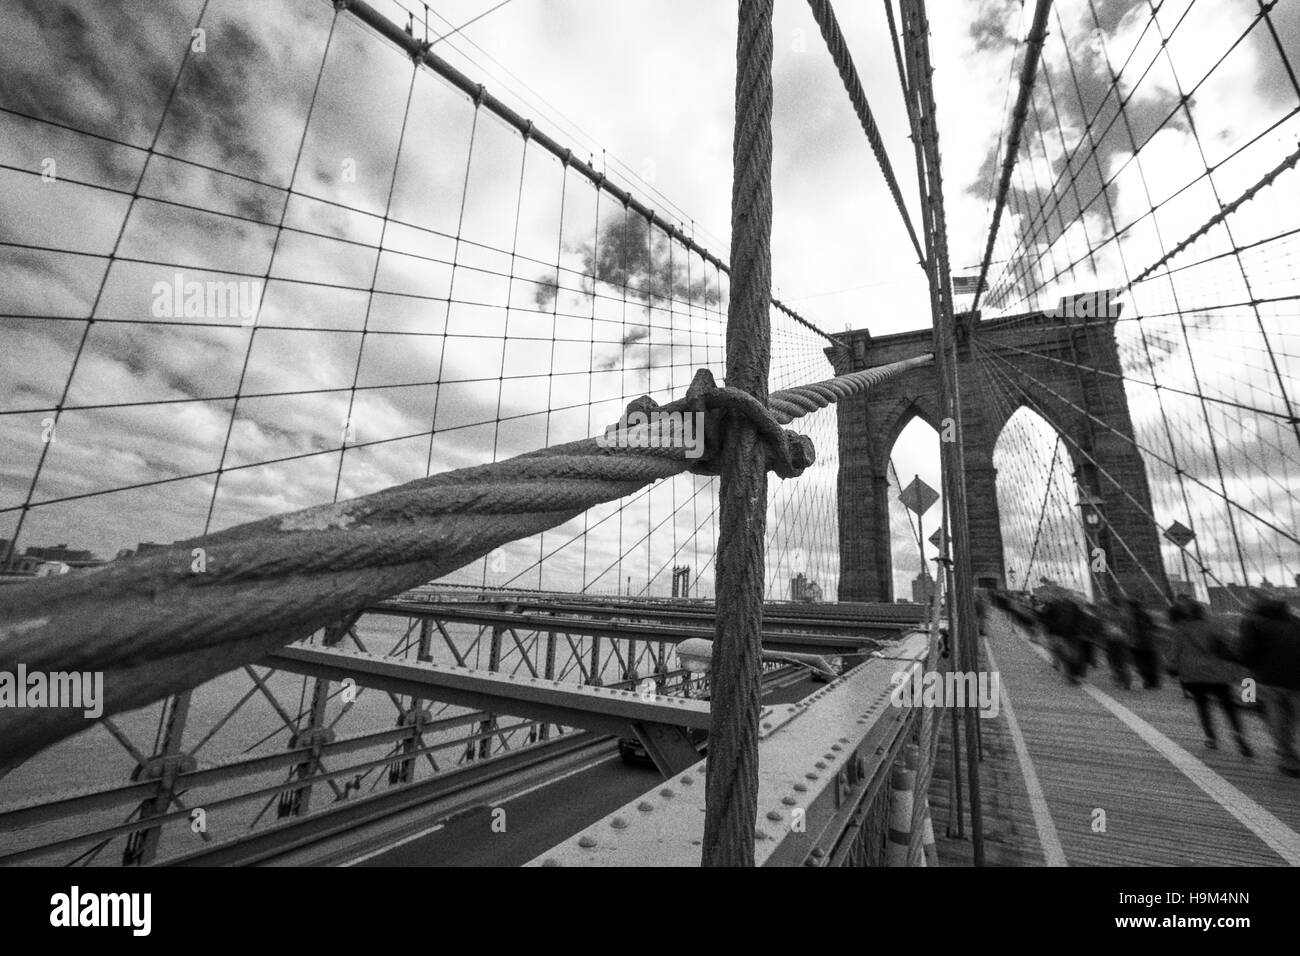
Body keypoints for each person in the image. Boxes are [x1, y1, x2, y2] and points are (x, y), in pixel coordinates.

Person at [1169, 595, 1253, 756]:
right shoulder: (1214, 625)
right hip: (1217, 673)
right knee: (1228, 707)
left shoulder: (1180, 629)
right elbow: (1227, 644)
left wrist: (1173, 667)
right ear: (1201, 610)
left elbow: (1175, 652)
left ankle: (1211, 737)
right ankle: (1239, 736)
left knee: (1202, 706)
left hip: (1193, 675)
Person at [1238, 594, 1300, 778]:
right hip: (1297, 678)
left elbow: (1247, 656)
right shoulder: (1294, 620)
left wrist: (1247, 696)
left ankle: (1289, 761)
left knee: (1278, 719)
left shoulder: (1251, 621)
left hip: (1269, 679)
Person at [1098, 599, 1132, 689]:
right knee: (1123, 660)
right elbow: (1128, 629)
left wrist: (1102, 641)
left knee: (1113, 661)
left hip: (1111, 640)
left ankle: (1118, 680)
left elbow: (1103, 628)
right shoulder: (1125, 614)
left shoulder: (1106, 614)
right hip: (1123, 640)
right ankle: (1127, 681)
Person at [1127, 599, 1161, 689]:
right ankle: (1154, 682)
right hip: (1149, 643)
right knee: (1151, 663)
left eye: (1130, 606)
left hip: (1138, 644)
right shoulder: (1146, 615)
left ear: (1133, 607)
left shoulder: (1133, 617)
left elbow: (1132, 631)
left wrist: (1131, 641)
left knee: (1141, 664)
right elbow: (1154, 627)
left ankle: (1148, 681)